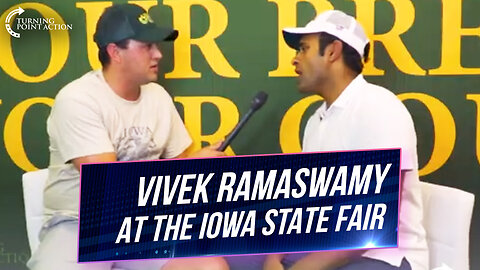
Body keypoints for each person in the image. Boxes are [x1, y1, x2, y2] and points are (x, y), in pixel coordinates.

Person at [27, 4, 228, 270]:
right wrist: (187, 167)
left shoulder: (158, 97)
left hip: (144, 225)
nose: (158, 54)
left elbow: (180, 176)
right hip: (80, 225)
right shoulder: (77, 98)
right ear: (115, 52)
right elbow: (108, 186)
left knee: (210, 266)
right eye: (146, 46)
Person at [262, 10, 429, 270]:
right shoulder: (316, 122)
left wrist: (302, 268)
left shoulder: (379, 107)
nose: (295, 59)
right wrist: (274, 256)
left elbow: (375, 219)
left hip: (383, 258)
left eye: (304, 49)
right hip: (326, 251)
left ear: (332, 51)